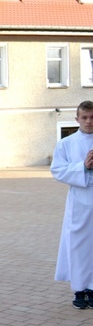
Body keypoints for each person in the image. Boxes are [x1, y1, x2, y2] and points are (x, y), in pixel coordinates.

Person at [51, 100, 93, 309]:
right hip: (80, 199)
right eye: (84, 117)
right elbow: (58, 170)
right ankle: (79, 288)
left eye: (92, 117)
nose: (88, 121)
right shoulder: (66, 144)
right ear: (77, 119)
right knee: (78, 243)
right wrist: (83, 167)